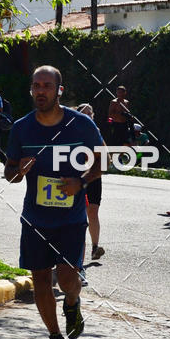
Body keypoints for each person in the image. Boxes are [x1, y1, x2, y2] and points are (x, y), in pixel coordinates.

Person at [4, 66, 102, 339]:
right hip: (35, 219)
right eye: (36, 85)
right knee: (41, 280)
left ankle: (72, 302)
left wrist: (80, 182)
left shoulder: (81, 124)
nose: (40, 91)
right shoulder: (21, 128)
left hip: (70, 219)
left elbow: (103, 160)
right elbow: (9, 173)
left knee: (68, 278)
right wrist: (18, 172)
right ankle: (55, 336)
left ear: (59, 90)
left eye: (47, 85)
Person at [76, 103, 105, 270]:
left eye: (90, 113)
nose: (87, 116)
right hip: (77, 177)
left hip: (94, 176)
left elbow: (104, 156)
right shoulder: (72, 131)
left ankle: (95, 248)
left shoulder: (96, 132)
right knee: (80, 214)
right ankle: (77, 255)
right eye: (84, 113)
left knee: (93, 211)